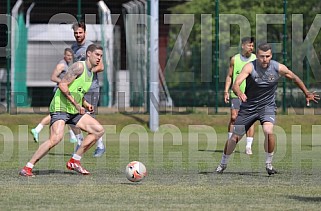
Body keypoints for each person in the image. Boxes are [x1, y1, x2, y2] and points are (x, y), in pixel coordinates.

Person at [216, 43, 319, 175]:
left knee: (268, 131)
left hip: (267, 106)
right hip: (249, 106)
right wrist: (240, 93)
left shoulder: (277, 67)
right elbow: (236, 84)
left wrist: (307, 93)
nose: (264, 59)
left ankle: (269, 164)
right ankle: (222, 164)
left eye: (267, 56)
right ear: (257, 56)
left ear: (271, 56)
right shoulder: (250, 67)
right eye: (261, 56)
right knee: (235, 137)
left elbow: (294, 77)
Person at [19, 44, 105, 177]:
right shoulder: (79, 67)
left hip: (73, 109)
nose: (99, 58)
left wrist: (86, 104)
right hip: (61, 107)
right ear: (88, 54)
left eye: (101, 56)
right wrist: (77, 105)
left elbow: (78, 92)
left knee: (98, 130)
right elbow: (62, 85)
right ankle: (28, 167)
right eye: (97, 55)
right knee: (55, 138)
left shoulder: (90, 74)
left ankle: (75, 161)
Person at [71, 22, 105, 157]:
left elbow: (101, 67)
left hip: (91, 87)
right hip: (78, 88)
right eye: (76, 33)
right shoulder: (73, 47)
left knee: (89, 117)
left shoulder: (91, 47)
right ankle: (79, 143)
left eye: (80, 32)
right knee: (73, 115)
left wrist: (87, 74)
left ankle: (100, 145)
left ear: (85, 32)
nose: (78, 35)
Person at [30, 48, 78, 143]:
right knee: (57, 114)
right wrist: (64, 83)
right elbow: (53, 77)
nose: (69, 57)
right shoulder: (61, 65)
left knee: (67, 112)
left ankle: (72, 136)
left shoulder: (68, 65)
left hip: (64, 91)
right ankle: (37, 129)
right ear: (64, 55)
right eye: (67, 55)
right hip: (59, 92)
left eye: (70, 55)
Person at [224, 37, 256, 155]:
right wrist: (226, 91)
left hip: (250, 95)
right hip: (236, 94)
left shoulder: (255, 59)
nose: (251, 48)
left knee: (250, 120)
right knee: (233, 118)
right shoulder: (234, 59)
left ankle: (248, 146)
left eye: (253, 46)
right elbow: (229, 76)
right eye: (249, 45)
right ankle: (230, 142)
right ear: (243, 46)